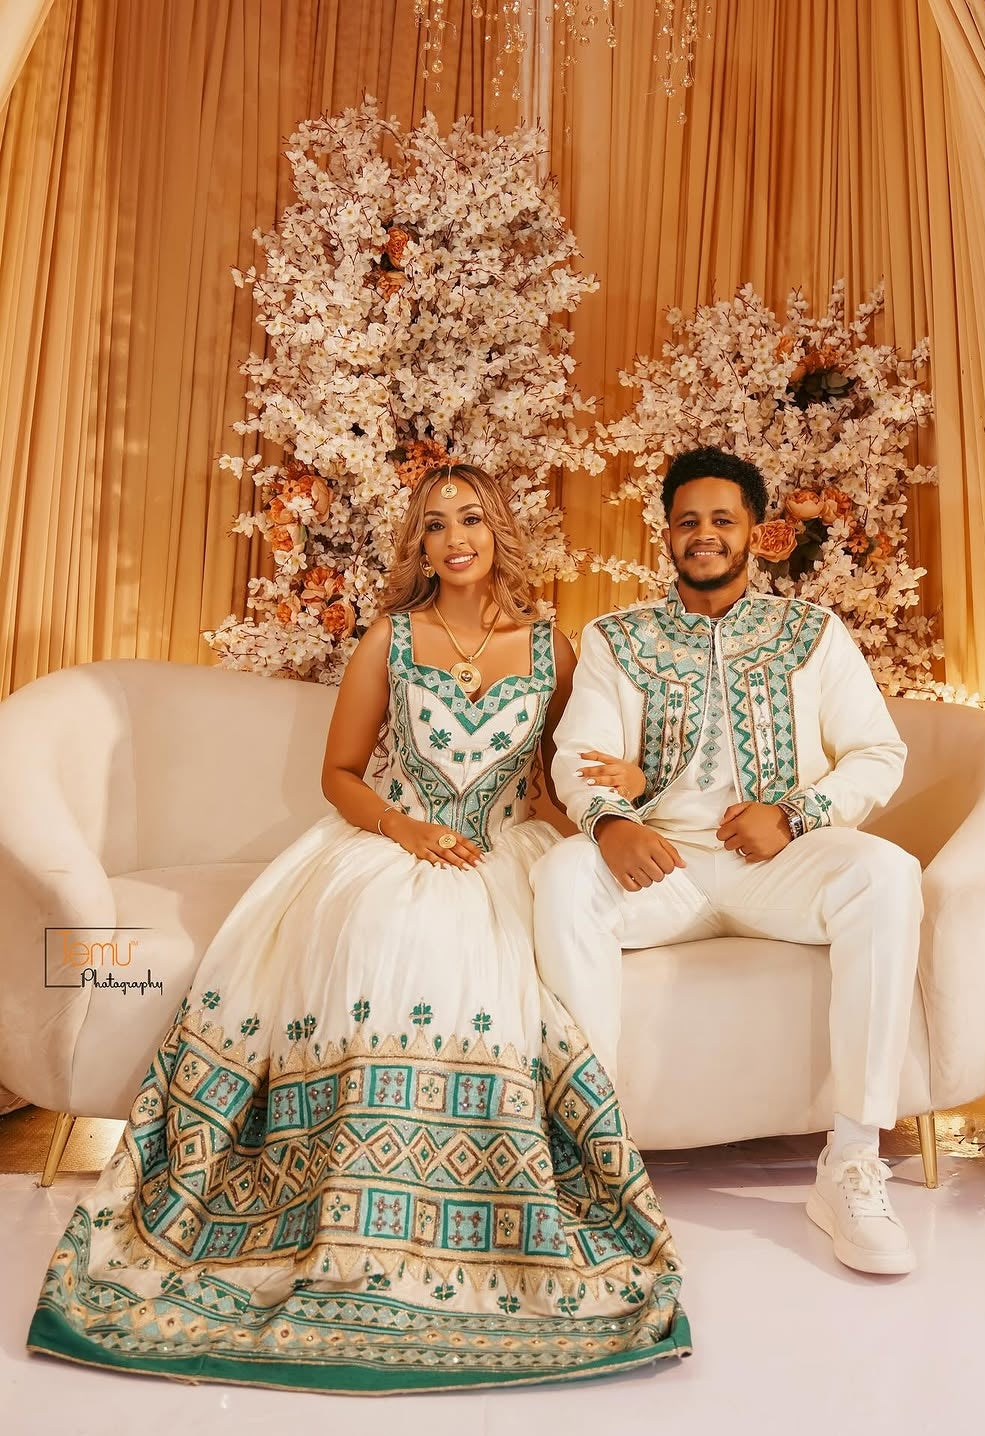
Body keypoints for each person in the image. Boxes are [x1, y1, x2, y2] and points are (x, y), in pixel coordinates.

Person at [28, 463, 690, 1393]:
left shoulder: (554, 645)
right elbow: (339, 774)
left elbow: (558, 776)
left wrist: (614, 799)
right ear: (417, 546)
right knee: (386, 937)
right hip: (393, 840)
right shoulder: (391, 638)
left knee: (498, 970)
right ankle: (341, 1211)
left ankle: (484, 1218)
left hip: (504, 848)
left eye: (469, 517)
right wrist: (403, 827)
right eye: (432, 524)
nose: (453, 536)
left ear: (499, 528)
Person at [532, 446, 923, 1277]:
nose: (703, 535)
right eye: (687, 522)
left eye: (722, 520)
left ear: (756, 532)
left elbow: (876, 755)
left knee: (887, 873)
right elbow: (581, 754)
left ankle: (851, 1160)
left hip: (779, 864)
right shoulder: (617, 638)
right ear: (664, 535)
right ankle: (590, 1156)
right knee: (563, 875)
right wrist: (608, 826)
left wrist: (796, 813)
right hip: (665, 869)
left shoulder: (812, 635)